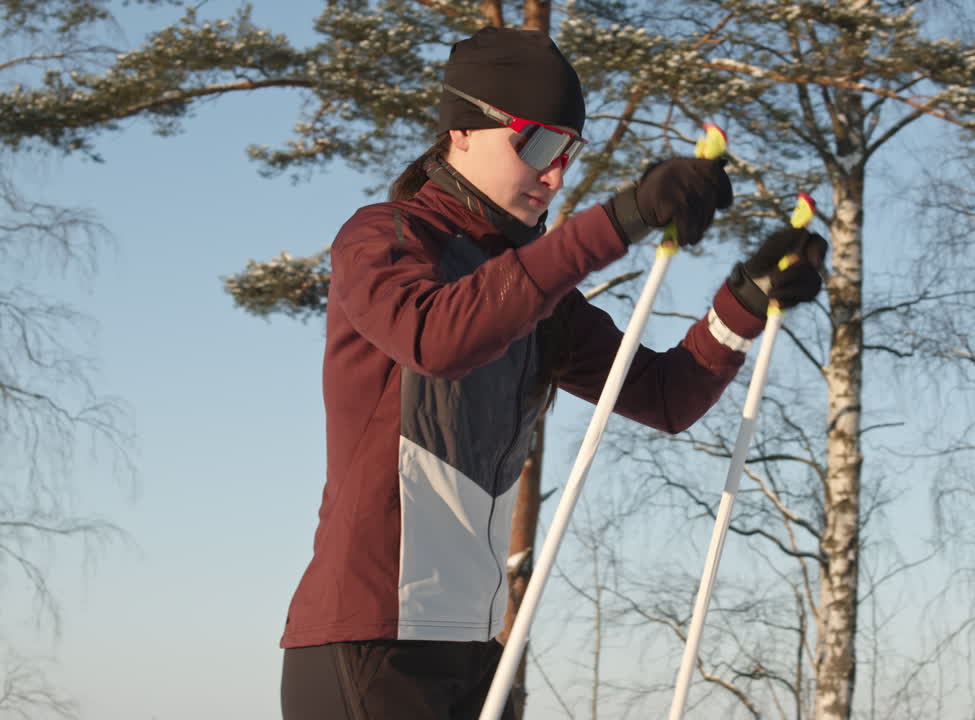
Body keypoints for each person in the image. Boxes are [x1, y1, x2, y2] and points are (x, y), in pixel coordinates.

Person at [279, 26, 826, 720]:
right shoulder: (386, 237)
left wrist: (744, 303)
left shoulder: (536, 298)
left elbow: (662, 396)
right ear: (462, 131)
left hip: (480, 647)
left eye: (569, 150)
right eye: (536, 143)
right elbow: (436, 336)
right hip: (372, 641)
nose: (556, 173)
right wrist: (620, 219)